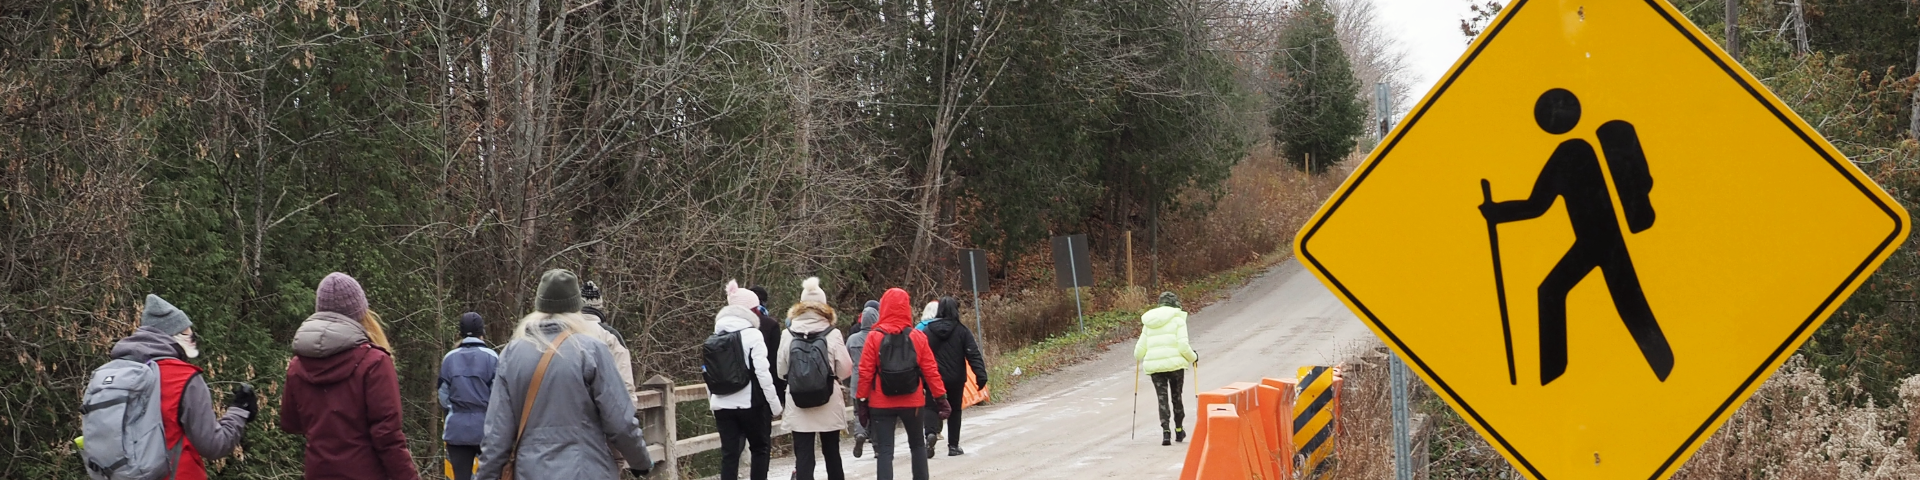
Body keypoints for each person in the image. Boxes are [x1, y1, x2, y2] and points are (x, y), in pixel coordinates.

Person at [475, 269, 653, 480]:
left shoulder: (511, 354)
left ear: (538, 305)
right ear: (576, 306)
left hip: (530, 472)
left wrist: (484, 476)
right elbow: (621, 422)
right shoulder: (591, 350)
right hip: (587, 469)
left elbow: (497, 435)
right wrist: (640, 462)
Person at [281, 272, 419, 480]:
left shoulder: (298, 365)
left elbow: (290, 423)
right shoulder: (374, 362)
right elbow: (388, 437)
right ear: (361, 312)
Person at [99, 294, 253, 480]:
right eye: (189, 334)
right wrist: (239, 411)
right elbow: (213, 445)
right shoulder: (183, 377)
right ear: (175, 336)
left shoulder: (107, 374)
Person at [856, 288, 949, 480]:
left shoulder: (874, 337)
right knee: (917, 446)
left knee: (885, 451)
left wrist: (862, 401)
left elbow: (865, 373)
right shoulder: (917, 336)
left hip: (880, 403)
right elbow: (931, 371)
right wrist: (941, 398)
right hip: (912, 401)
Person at [776, 278, 854, 480]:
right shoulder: (833, 333)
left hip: (798, 400)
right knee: (832, 453)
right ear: (824, 306)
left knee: (803, 455)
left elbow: (781, 370)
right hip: (827, 398)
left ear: (800, 306)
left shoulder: (788, 334)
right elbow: (846, 369)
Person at [712, 280, 784, 480]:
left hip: (722, 404)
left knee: (729, 454)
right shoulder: (753, 335)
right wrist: (775, 405)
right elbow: (764, 374)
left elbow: (710, 374)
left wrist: (714, 402)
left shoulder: (715, 336)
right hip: (751, 403)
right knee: (760, 449)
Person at [920, 297, 987, 456]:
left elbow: (919, 355)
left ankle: (930, 434)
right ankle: (953, 446)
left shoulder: (928, 331)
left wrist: (919, 377)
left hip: (934, 377)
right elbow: (973, 354)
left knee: (930, 406)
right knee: (955, 410)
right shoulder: (962, 330)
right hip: (956, 378)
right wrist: (980, 375)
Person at [1134, 292, 1198, 446]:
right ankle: (1179, 429)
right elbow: (1183, 346)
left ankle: (1166, 433)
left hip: (1155, 367)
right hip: (1175, 366)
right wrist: (1193, 357)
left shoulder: (1149, 322)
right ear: (1174, 304)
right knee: (1177, 397)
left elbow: (1138, 351)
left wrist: (1140, 356)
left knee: (1161, 399)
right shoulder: (1178, 320)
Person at [439, 312, 497, 480]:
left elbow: (443, 395)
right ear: (482, 332)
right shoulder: (492, 357)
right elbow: (498, 396)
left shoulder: (449, 358)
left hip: (456, 430)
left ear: (460, 333)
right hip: (486, 430)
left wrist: (455, 411)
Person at [843, 300, 880, 457]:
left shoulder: (852, 339)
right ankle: (877, 447)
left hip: (856, 381)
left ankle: (860, 433)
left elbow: (846, 360)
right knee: (876, 414)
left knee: (859, 412)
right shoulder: (878, 338)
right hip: (874, 381)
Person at [749, 285, 788, 406]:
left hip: (734, 392)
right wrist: (779, 394)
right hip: (763, 387)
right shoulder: (770, 325)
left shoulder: (728, 326)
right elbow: (774, 360)